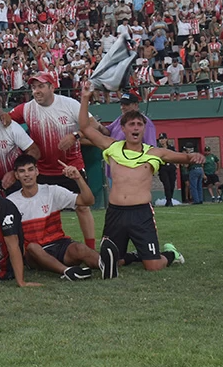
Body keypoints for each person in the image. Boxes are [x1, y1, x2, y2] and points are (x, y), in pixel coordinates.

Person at [79, 82, 202, 273]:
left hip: (141, 214)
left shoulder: (154, 153)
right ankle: (138, 255)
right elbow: (85, 128)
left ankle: (171, 254)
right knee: (111, 262)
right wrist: (85, 98)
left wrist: (195, 157)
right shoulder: (112, 146)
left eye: (139, 124)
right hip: (116, 213)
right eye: (131, 124)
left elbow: (185, 158)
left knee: (153, 266)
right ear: (124, 128)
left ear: (144, 129)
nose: (135, 128)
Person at [9, 71, 108, 250]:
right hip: (42, 169)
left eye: (41, 86)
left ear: (52, 87)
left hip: (70, 167)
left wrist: (75, 135)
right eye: (33, 87)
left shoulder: (69, 104)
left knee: (83, 207)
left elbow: (93, 126)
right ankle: (36, 248)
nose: (36, 91)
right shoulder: (27, 108)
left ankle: (91, 250)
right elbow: (5, 120)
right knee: (36, 208)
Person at [5, 155, 115, 281]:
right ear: (17, 175)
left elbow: (88, 201)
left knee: (80, 248)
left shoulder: (52, 191)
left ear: (37, 171)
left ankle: (105, 265)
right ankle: (67, 271)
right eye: (22, 171)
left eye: (30, 169)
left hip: (59, 244)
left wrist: (78, 178)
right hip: (35, 253)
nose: (27, 174)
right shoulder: (11, 202)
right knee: (32, 247)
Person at [156, 134, 178, 206]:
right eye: (160, 139)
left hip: (171, 167)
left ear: (166, 139)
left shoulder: (171, 148)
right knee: (167, 184)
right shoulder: (158, 149)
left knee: (172, 184)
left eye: (163, 139)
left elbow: (175, 156)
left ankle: (170, 198)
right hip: (163, 168)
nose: (161, 140)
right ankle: (168, 201)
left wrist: (177, 164)